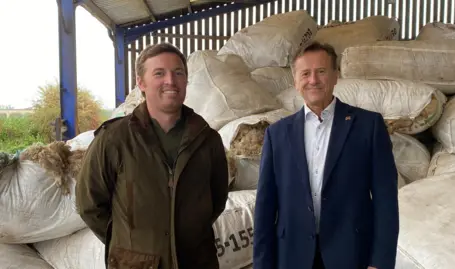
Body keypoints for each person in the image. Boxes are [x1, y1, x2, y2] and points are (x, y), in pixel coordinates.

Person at [76, 43, 229, 269]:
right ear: (141, 83)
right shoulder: (114, 139)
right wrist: (129, 242)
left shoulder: (207, 140)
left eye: (178, 73)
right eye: (159, 73)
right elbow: (89, 204)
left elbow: (216, 200)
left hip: (196, 261)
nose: (170, 80)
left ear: (186, 81)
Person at [253, 41, 399, 269]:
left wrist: (380, 262)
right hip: (292, 256)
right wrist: (262, 264)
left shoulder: (367, 126)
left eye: (321, 72)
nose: (313, 80)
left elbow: (386, 200)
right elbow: (265, 206)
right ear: (295, 81)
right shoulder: (277, 134)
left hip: (351, 254)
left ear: (335, 76)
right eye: (305, 73)